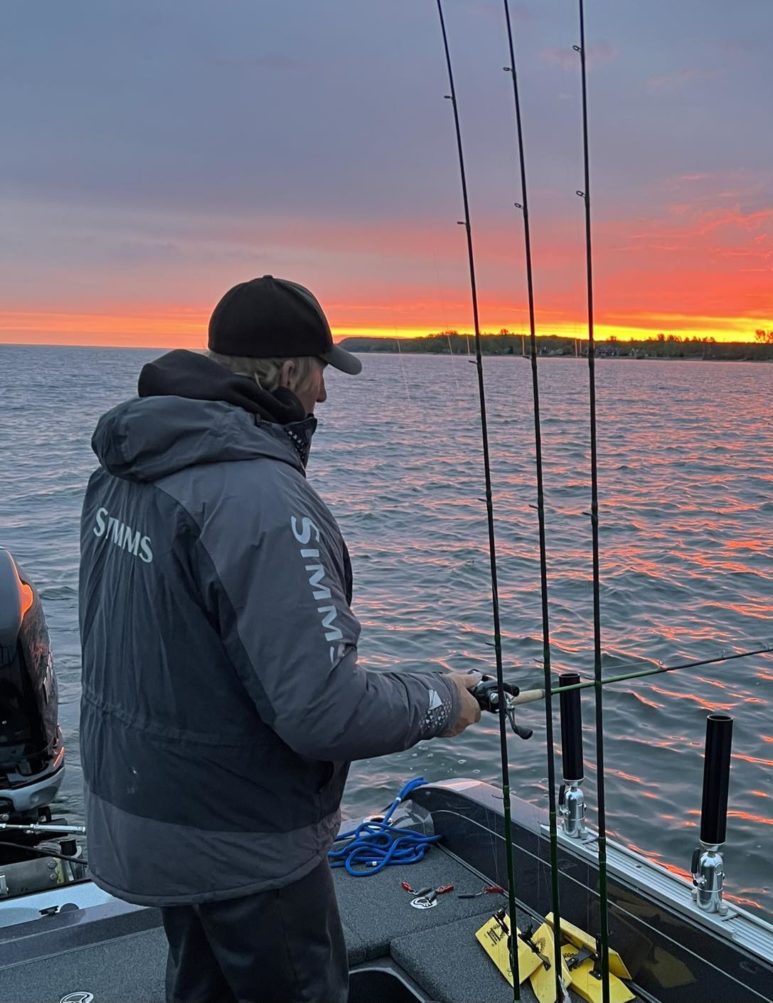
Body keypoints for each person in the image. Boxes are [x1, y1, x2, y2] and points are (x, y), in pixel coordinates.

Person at [78, 275, 482, 1003]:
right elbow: (322, 712)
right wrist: (436, 698)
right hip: (242, 844)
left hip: (151, 816)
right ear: (291, 370)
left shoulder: (125, 467)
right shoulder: (261, 498)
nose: (325, 393)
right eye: (322, 370)